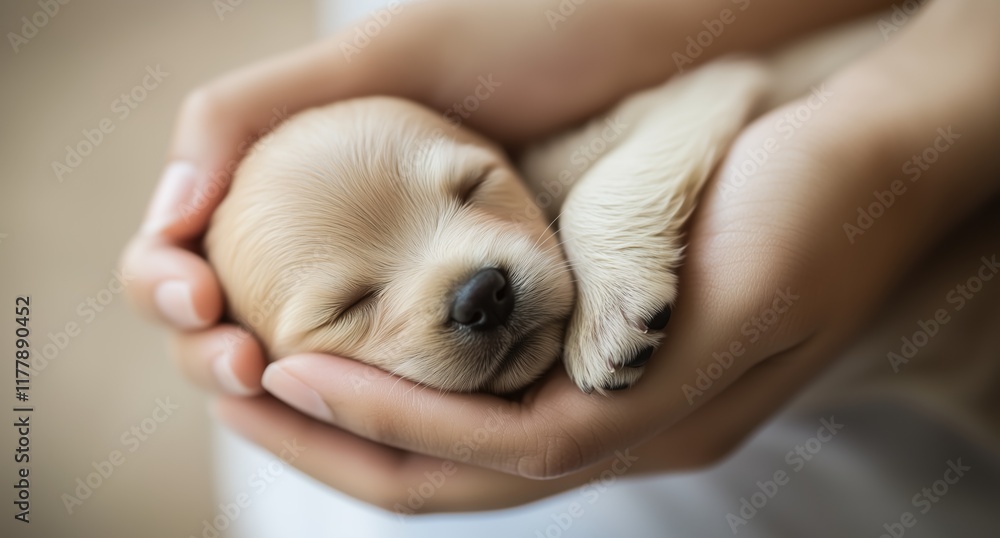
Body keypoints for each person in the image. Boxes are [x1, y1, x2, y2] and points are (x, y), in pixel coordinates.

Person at [121, 0, 1000, 514]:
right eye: (351, 307)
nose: (473, 282)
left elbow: (719, 87)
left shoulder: (553, 180)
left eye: (471, 187)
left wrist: (613, 224)